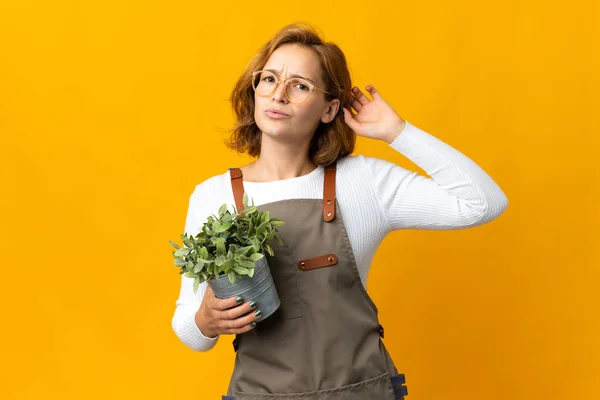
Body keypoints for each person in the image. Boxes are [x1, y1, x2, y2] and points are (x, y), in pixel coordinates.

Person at [171, 23, 508, 400]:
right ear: (254, 91)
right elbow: (191, 332)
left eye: (299, 85)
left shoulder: (363, 183)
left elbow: (482, 203)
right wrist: (206, 320)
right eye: (269, 79)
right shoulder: (213, 196)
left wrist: (398, 132)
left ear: (330, 108)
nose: (278, 95)